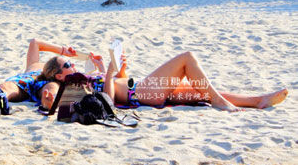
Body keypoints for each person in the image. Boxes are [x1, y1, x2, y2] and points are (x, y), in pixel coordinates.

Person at [91, 52, 288, 112]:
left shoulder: (90, 77)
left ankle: (258, 101)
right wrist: (108, 72)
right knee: (187, 58)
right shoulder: (81, 87)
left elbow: (120, 83)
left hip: (142, 89)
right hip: (144, 91)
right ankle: (220, 101)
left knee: (205, 91)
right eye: (66, 65)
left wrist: (120, 69)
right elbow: (108, 99)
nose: (71, 66)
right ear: (58, 75)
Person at [0, 39, 82, 110]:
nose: (72, 65)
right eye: (68, 64)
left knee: (51, 89)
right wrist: (63, 50)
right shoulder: (36, 65)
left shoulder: (65, 79)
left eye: (70, 63)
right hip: (27, 79)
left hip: (44, 84)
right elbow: (35, 42)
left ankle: (50, 102)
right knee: (8, 87)